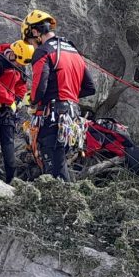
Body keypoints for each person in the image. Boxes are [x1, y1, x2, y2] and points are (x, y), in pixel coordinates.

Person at [23, 10, 95, 180]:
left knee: (53, 166)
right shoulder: (73, 50)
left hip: (53, 116)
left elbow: (39, 87)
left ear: (35, 32)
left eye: (32, 42)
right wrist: (66, 93)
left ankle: (63, 202)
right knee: (60, 162)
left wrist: (33, 101)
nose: (33, 45)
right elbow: (90, 87)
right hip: (72, 117)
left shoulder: (43, 51)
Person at [0, 40, 33, 183]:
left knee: (8, 143)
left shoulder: (21, 64)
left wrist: (16, 100)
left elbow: (22, 86)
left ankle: (12, 180)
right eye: (18, 62)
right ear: (12, 53)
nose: (19, 66)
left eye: (22, 64)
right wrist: (9, 98)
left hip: (6, 109)